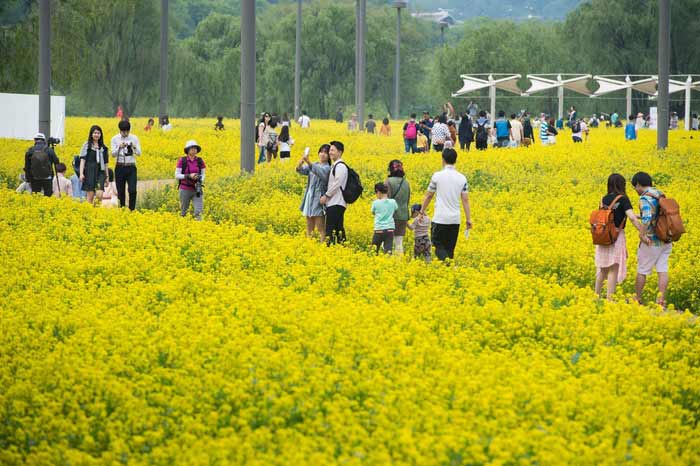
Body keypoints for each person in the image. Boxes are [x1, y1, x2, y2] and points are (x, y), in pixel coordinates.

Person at [594, 174, 646, 301]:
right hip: (616, 238)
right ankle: (609, 300)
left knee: (603, 269)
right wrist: (642, 231)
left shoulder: (603, 199)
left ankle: (596, 297)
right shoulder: (623, 199)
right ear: (622, 185)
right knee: (613, 269)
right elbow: (631, 217)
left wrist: (640, 216)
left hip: (603, 237)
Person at [420, 148, 472, 262]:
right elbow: (465, 200)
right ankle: (448, 267)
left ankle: (448, 266)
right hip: (455, 220)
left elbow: (429, 196)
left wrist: (422, 211)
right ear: (455, 160)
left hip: (440, 218)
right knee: (450, 249)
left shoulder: (437, 176)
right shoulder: (462, 178)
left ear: (443, 159)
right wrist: (468, 219)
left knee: (437, 245)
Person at [629, 172, 672, 308]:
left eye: (635, 187)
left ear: (638, 184)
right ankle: (660, 301)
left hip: (651, 241)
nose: (635, 190)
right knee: (662, 270)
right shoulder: (659, 193)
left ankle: (638, 298)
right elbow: (657, 215)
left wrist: (642, 234)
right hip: (666, 239)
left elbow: (648, 218)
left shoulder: (645, 198)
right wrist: (639, 215)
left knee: (642, 270)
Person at [297, 144, 331, 242]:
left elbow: (320, 173)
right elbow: (301, 171)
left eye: (325, 152)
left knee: (320, 227)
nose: (323, 154)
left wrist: (308, 162)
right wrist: (301, 162)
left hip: (319, 198)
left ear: (328, 156)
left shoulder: (328, 168)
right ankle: (309, 244)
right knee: (309, 225)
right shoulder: (315, 164)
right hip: (309, 196)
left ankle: (322, 246)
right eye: (321, 152)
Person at [320, 141, 348, 245]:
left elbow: (337, 183)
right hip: (335, 202)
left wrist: (326, 196)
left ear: (340, 152)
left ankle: (331, 248)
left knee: (331, 229)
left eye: (332, 150)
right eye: (330, 150)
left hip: (336, 202)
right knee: (337, 229)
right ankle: (342, 248)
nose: (330, 152)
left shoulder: (340, 166)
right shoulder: (336, 165)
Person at [110, 120, 141, 210]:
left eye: (127, 131)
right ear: (120, 130)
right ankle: (122, 210)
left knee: (132, 190)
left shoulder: (134, 138)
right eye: (124, 131)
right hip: (120, 166)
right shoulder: (114, 139)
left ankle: (132, 210)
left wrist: (133, 146)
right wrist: (119, 147)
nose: (126, 133)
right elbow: (113, 154)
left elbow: (139, 153)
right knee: (121, 191)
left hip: (131, 167)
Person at [176, 140, 206, 221]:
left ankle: (199, 228)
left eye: (195, 148)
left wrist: (199, 179)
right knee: (183, 212)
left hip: (197, 189)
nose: (193, 149)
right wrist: (189, 176)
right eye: (191, 148)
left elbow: (203, 174)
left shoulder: (200, 160)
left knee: (198, 212)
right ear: (187, 150)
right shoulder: (182, 161)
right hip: (185, 189)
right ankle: (182, 226)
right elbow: (177, 175)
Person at [386, 160, 410, 256]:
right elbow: (407, 199)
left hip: (391, 216)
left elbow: (386, 200)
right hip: (403, 215)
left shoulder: (388, 181)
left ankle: (387, 262)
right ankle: (400, 262)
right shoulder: (406, 182)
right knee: (399, 242)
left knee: (388, 241)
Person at [80, 125, 109, 205]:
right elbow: (83, 160)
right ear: (91, 134)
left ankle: (96, 211)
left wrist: (107, 176)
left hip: (101, 172)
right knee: (90, 196)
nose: (96, 135)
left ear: (101, 135)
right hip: (89, 172)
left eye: (98, 133)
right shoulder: (87, 145)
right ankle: (90, 214)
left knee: (99, 194)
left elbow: (106, 163)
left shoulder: (104, 148)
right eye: (95, 133)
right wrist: (81, 173)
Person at [24, 132, 60, 197]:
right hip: (47, 177)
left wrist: (28, 178)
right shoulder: (49, 150)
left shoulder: (30, 150)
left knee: (35, 195)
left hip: (34, 177)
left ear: (35, 140)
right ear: (44, 140)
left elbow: (27, 166)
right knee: (48, 195)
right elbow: (56, 161)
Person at [371, 183, 398, 255]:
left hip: (379, 229)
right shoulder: (393, 202)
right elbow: (396, 209)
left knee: (374, 251)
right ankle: (388, 263)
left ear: (378, 191)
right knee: (388, 251)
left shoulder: (375, 203)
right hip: (390, 229)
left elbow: (373, 212)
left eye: (376, 192)